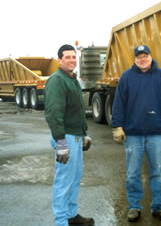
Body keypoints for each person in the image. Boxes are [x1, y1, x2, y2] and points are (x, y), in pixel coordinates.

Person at [111, 45, 161, 223]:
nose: (142, 59)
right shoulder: (126, 77)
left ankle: (158, 207)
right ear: (134, 59)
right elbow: (118, 103)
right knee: (132, 173)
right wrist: (117, 126)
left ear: (150, 56)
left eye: (145, 55)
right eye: (138, 56)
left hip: (156, 133)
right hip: (133, 134)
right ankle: (134, 207)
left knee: (157, 172)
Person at [44, 44, 94, 226]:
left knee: (74, 179)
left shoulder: (72, 79)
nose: (72, 60)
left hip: (76, 136)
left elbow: (77, 111)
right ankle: (61, 222)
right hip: (66, 138)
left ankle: (72, 215)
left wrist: (84, 133)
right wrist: (61, 142)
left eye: (74, 57)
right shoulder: (57, 80)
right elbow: (53, 114)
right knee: (63, 182)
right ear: (59, 60)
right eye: (67, 57)